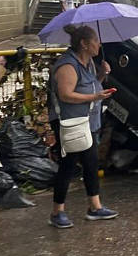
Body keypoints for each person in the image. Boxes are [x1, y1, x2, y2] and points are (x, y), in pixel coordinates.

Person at [48, 24, 118, 228]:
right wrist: (95, 96)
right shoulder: (67, 65)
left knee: (91, 163)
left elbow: (91, 85)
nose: (99, 44)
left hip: (88, 121)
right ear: (85, 44)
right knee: (68, 165)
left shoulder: (88, 63)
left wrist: (102, 76)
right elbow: (66, 94)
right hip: (71, 123)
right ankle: (56, 212)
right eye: (95, 41)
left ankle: (95, 207)